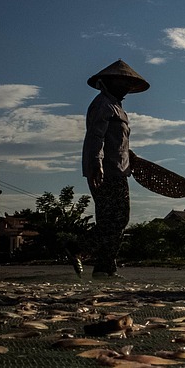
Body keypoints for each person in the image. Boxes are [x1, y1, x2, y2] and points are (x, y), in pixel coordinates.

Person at [73, 59, 149, 279]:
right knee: (113, 220)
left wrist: (129, 156)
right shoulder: (103, 104)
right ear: (107, 82)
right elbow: (96, 136)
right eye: (121, 82)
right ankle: (78, 248)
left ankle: (105, 266)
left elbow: (116, 141)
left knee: (117, 220)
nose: (125, 87)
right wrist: (96, 163)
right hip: (106, 171)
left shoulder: (117, 108)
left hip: (118, 169)